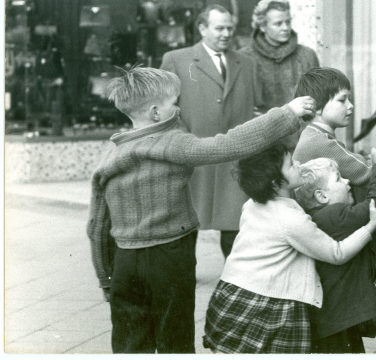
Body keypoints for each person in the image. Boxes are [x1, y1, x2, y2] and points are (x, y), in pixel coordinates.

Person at [86, 66, 316, 353]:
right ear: (157, 113)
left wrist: (106, 277)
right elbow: (231, 144)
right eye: (174, 103)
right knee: (175, 338)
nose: (179, 108)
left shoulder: (111, 154)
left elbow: (96, 226)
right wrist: (287, 114)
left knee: (130, 340)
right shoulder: (174, 143)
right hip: (170, 257)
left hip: (125, 261)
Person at [203, 143, 376, 353]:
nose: (299, 164)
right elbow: (336, 253)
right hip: (266, 300)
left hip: (234, 290)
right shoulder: (291, 219)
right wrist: (371, 226)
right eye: (291, 164)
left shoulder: (252, 204)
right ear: (276, 182)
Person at [160, 4, 259, 258]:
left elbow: (254, 106)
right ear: (202, 28)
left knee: (235, 227)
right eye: (219, 28)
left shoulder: (246, 63)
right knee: (186, 226)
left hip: (234, 158)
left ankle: (236, 279)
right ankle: (183, 279)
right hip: (194, 156)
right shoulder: (176, 60)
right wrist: (183, 141)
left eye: (230, 28)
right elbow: (164, 108)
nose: (226, 34)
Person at [294, 145, 376, 353]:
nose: (347, 182)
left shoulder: (322, 218)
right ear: (322, 197)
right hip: (338, 318)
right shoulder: (333, 216)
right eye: (339, 179)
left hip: (332, 318)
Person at [293, 67, 376, 203]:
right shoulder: (320, 142)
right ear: (317, 107)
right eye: (342, 100)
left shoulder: (314, 135)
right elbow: (370, 173)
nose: (350, 106)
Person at [239, 0, 319, 148]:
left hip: (300, 144)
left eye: (288, 22)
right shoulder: (244, 58)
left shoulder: (307, 56)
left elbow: (318, 102)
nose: (285, 28)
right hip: (260, 147)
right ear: (262, 26)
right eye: (278, 23)